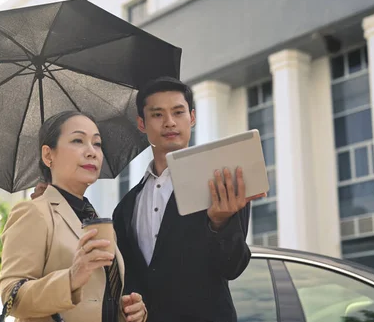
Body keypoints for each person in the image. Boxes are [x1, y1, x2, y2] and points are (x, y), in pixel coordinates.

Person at [112, 76, 266, 322]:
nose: (170, 122)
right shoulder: (126, 208)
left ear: (192, 118)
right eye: (157, 114)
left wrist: (220, 223)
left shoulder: (220, 180)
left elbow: (233, 267)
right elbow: (126, 279)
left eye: (178, 112)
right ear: (142, 123)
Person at [0, 111, 147, 322]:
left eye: (97, 143)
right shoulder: (34, 213)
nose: (91, 152)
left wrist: (125, 311)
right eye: (78, 140)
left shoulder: (95, 219)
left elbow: (94, 301)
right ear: (48, 155)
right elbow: (10, 297)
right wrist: (70, 278)